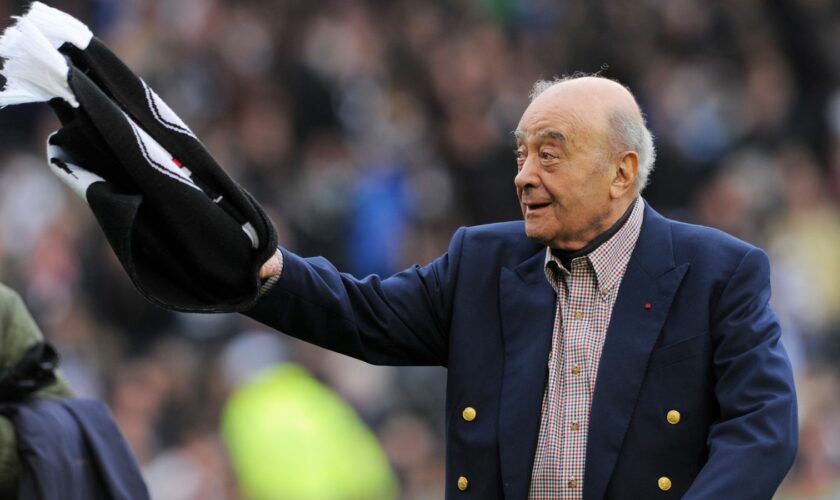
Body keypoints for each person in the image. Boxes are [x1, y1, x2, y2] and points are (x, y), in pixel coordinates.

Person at [247, 75, 798, 499]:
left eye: (549, 155)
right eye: (522, 155)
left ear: (622, 172)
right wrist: (263, 264)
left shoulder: (718, 273)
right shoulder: (482, 262)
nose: (524, 175)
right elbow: (362, 312)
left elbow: (761, 428)